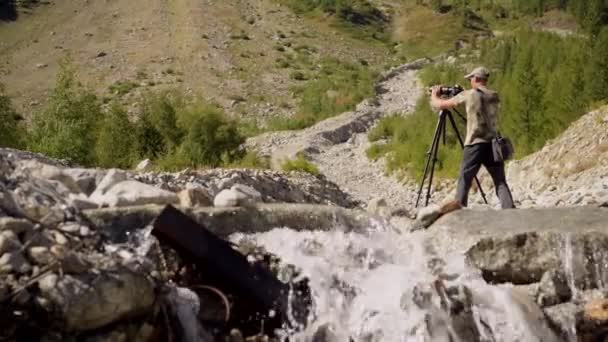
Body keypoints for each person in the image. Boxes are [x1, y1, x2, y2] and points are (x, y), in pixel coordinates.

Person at [430, 66, 515, 209]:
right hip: (493, 144)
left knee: (465, 179)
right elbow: (480, 105)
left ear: (475, 78)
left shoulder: (469, 95)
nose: (470, 81)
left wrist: (434, 94)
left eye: (470, 79)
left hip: (475, 144)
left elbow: (441, 104)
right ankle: (510, 211)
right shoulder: (494, 95)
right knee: (500, 181)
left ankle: (459, 211)